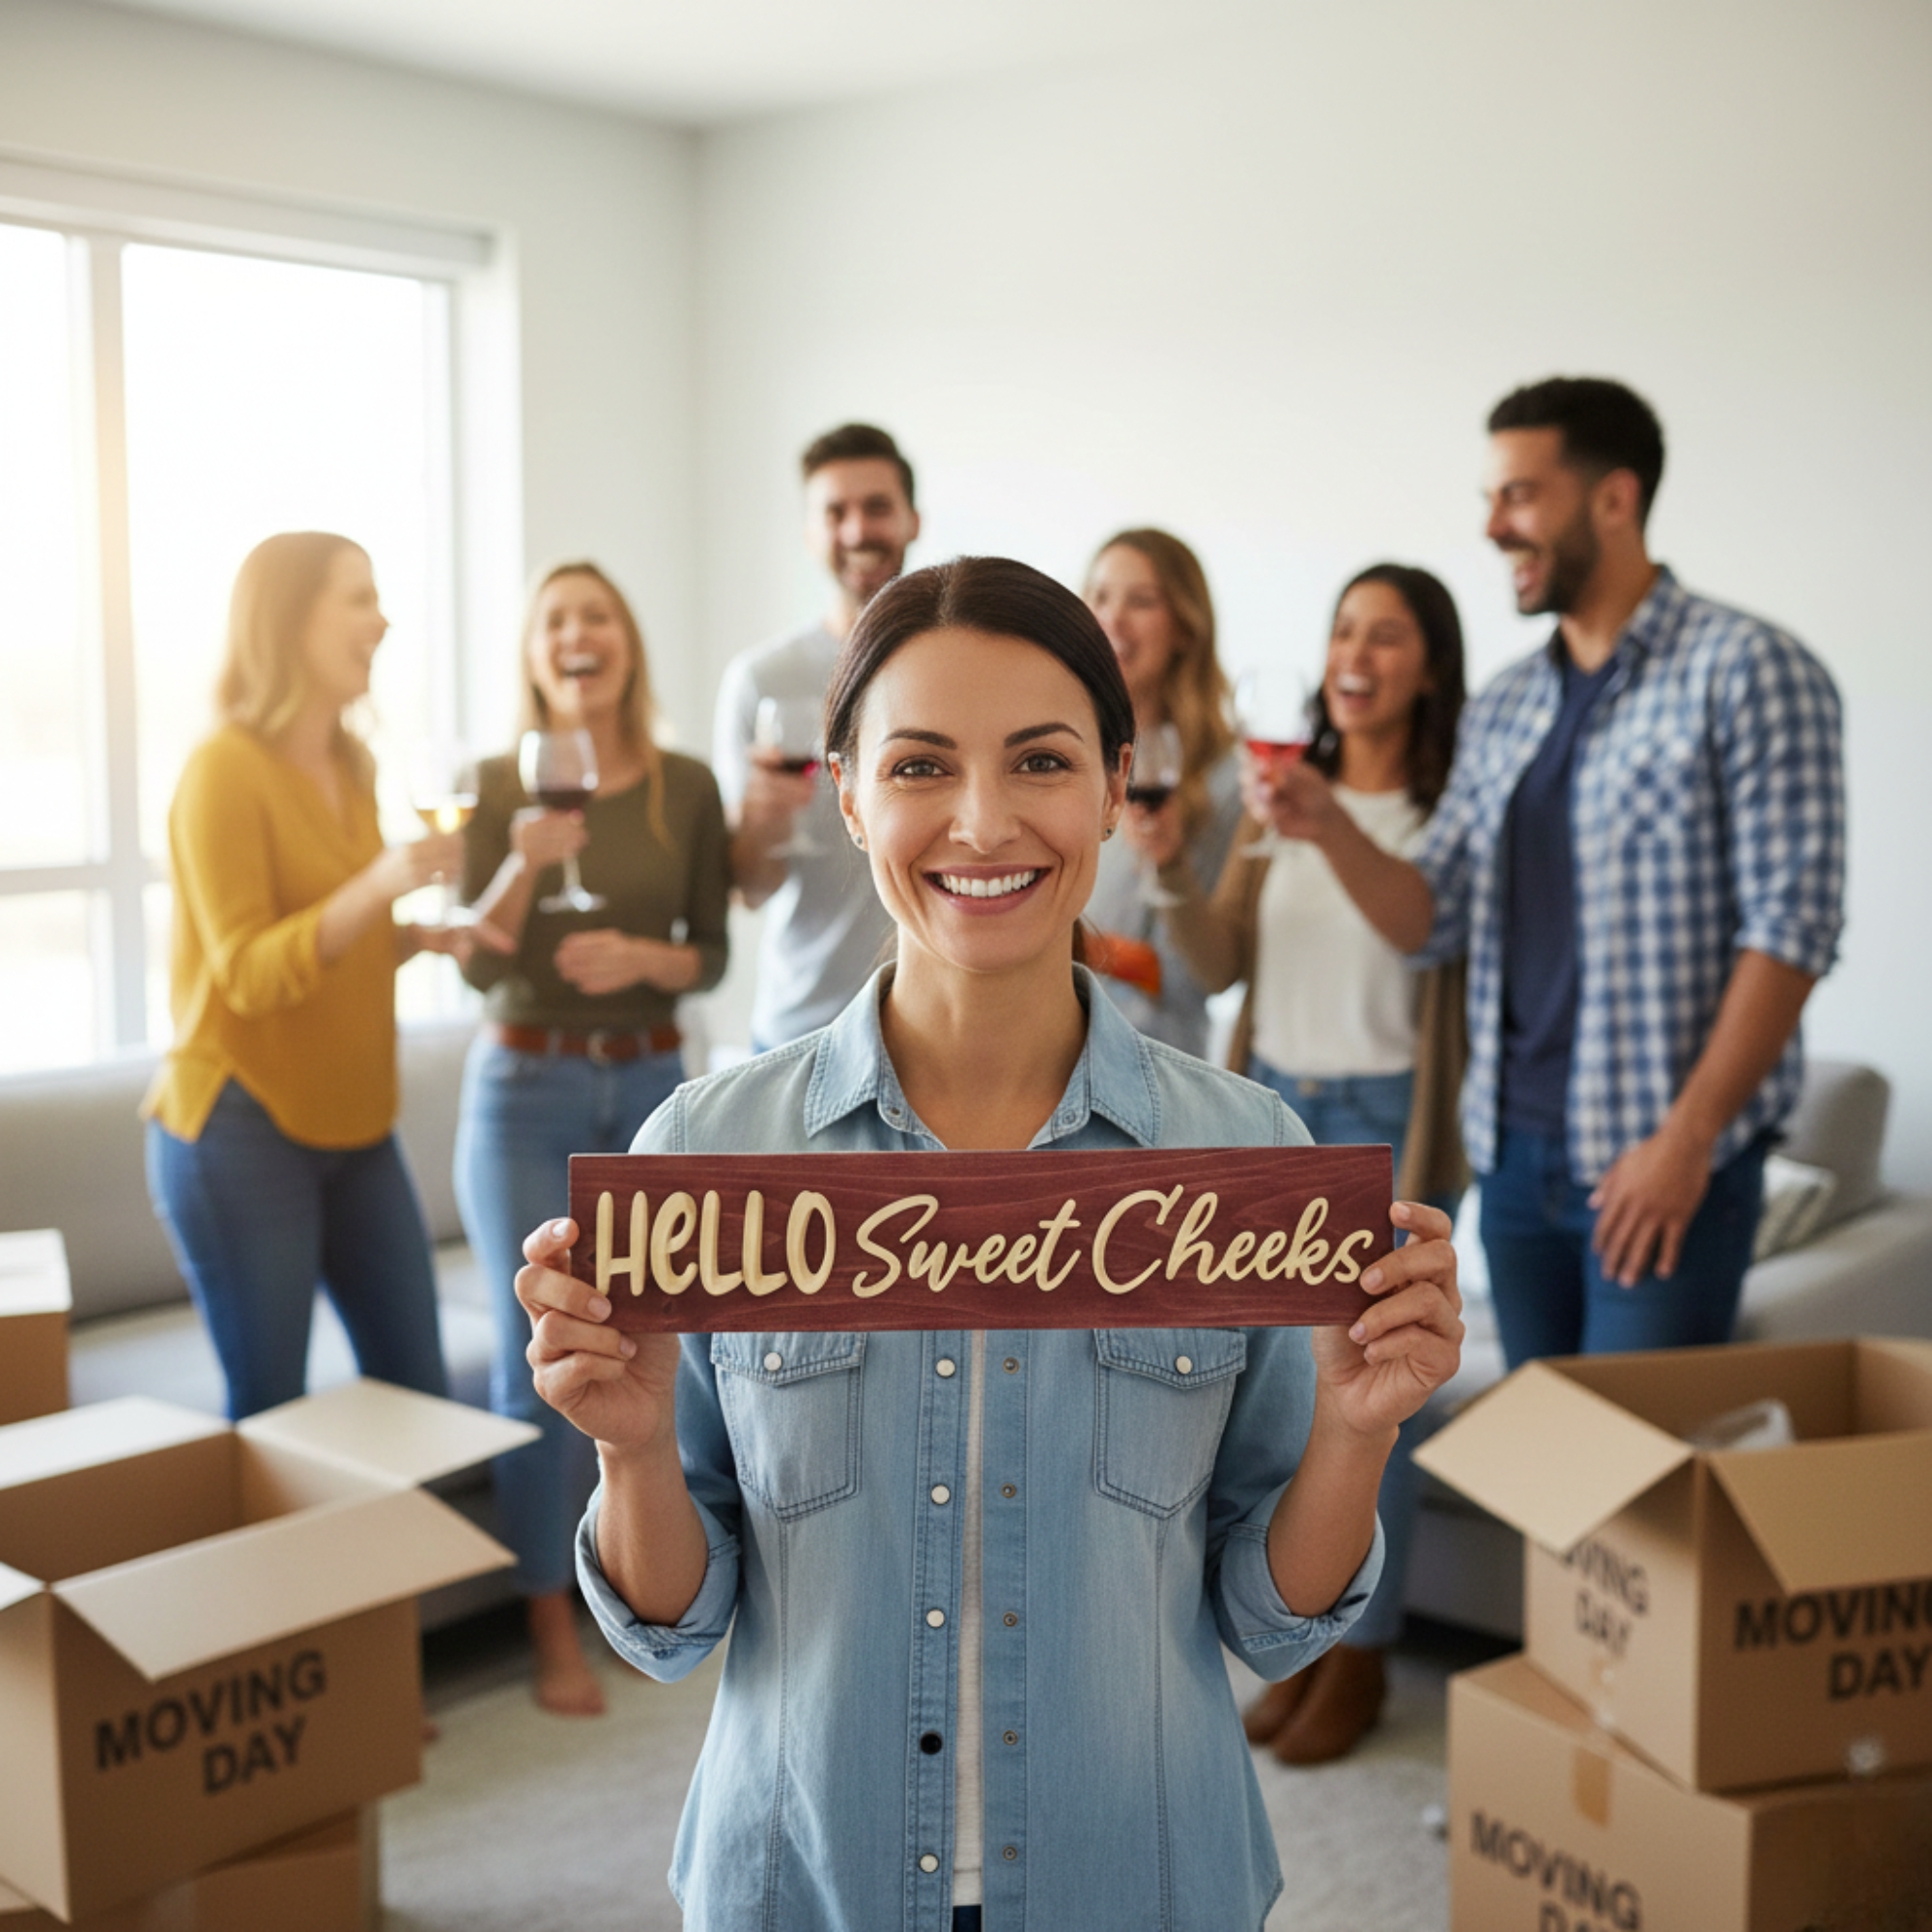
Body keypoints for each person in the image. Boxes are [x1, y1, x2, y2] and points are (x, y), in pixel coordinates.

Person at [512, 556, 1466, 1929]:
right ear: (845, 794)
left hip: (1141, 1883)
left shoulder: (1248, 1162)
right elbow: (674, 1629)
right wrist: (632, 1447)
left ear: (1112, 789)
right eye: (917, 767)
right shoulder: (704, 1164)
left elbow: (1270, 1621)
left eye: (1038, 760)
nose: (981, 820)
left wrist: (1359, 1432)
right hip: (803, 1884)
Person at [1261, 379, 1845, 1366]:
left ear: (1612, 499)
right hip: (1514, 1161)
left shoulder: (1748, 669)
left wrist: (1685, 1140)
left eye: (1518, 496)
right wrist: (1324, 825)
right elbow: (1430, 917)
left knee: (1625, 1495)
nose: (1492, 527)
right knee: (1538, 1478)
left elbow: (1789, 927)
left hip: (1653, 1166)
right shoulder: (1506, 705)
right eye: (1491, 499)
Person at [1151, 561, 1470, 1762]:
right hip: (1277, 1104)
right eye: (1344, 629)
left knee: (1369, 1394)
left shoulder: (1441, 808)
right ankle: (1299, 1645)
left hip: (1388, 1117)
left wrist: (1322, 820)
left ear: (1427, 665)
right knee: (1284, 1397)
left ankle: (1365, 1660)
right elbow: (1218, 954)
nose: (1356, 652)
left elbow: (1416, 924)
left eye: (1386, 635)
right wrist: (1182, 857)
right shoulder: (1276, 795)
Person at [454, 561, 730, 1716]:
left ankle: (641, 1581)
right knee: (545, 1370)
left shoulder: (684, 785)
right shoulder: (488, 785)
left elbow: (709, 948)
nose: (579, 635)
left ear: (626, 644)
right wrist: (526, 848)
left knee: (654, 1357)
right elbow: (476, 956)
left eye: (598, 616)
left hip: (653, 1084)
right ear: (533, 653)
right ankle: (548, 1621)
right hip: (524, 1086)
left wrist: (645, 961)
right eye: (556, 620)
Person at [144, 530, 459, 1421]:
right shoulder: (221, 772)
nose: (383, 620)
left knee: (421, 1400)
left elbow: (335, 941)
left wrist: (416, 940)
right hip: (242, 1127)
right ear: (288, 620)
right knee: (275, 1417)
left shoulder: (351, 766)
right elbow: (246, 971)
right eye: (358, 598)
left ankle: (412, 1568)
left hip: (357, 1122)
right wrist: (380, 884)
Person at [712, 422, 917, 1049]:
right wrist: (762, 826)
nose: (858, 531)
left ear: (912, 520)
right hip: (802, 1032)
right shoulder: (760, 678)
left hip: (934, 1033)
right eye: (836, 513)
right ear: (811, 534)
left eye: (877, 508)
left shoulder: (953, 667)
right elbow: (749, 889)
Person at [1080, 527, 1243, 1057]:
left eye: (1142, 601)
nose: (1114, 619)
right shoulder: (1064, 753)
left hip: (1155, 1063)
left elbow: (1200, 975)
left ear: (1185, 630)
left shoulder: (1228, 779)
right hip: (1046, 1056)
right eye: (1101, 596)